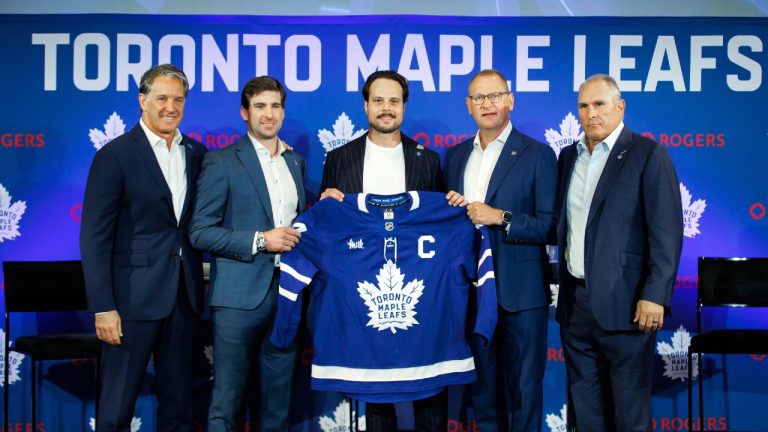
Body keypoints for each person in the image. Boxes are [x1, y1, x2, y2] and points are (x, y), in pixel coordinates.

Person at [320, 70, 457, 431]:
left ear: (404, 107)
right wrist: (324, 202)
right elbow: (327, 226)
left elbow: (439, 228)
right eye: (378, 100)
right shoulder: (339, 159)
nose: (386, 108)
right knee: (376, 395)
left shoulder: (427, 159)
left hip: (421, 297)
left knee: (429, 393)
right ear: (365, 106)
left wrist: (454, 203)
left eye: (394, 101)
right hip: (364, 299)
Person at [80, 64, 207, 431]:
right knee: (117, 408)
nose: (171, 107)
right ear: (143, 100)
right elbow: (94, 236)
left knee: (179, 407)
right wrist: (104, 307)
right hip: (130, 301)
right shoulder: (115, 155)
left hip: (183, 298)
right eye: (162, 98)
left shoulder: (197, 154)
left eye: (178, 99)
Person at [555, 74, 683, 431]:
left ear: (620, 107)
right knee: (585, 410)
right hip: (576, 303)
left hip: (628, 305)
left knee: (629, 411)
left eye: (599, 104)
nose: (591, 113)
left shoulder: (647, 153)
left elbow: (667, 232)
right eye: (583, 105)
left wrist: (655, 295)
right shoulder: (568, 157)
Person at [443, 69, 557, 431]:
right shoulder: (455, 156)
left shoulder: (538, 154)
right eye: (479, 97)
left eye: (495, 96)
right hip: (472, 293)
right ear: (468, 105)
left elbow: (550, 226)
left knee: (524, 395)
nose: (487, 104)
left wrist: (501, 217)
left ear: (511, 99)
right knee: (482, 397)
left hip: (521, 294)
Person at [189, 76, 305, 431]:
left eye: (275, 106)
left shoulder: (294, 163)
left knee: (278, 404)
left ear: (283, 111)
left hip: (286, 295)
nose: (268, 115)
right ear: (245, 112)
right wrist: (260, 240)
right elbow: (200, 232)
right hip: (238, 298)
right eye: (259, 107)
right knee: (227, 402)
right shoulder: (222, 161)